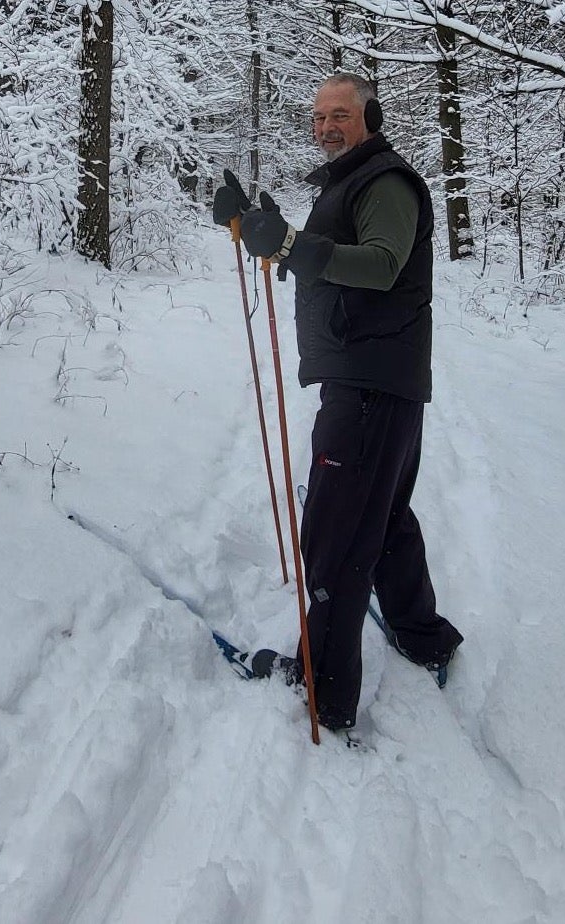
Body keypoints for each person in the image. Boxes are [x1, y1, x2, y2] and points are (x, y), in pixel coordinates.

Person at [213, 73, 463, 732]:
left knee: (335, 534)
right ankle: (422, 634)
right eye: (320, 115)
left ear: (370, 116)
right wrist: (257, 229)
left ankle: (322, 687)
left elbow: (379, 264)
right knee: (381, 518)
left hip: (370, 387)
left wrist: (293, 243)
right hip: (377, 381)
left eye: (341, 114)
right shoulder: (355, 181)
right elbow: (331, 259)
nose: (327, 125)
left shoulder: (385, 182)